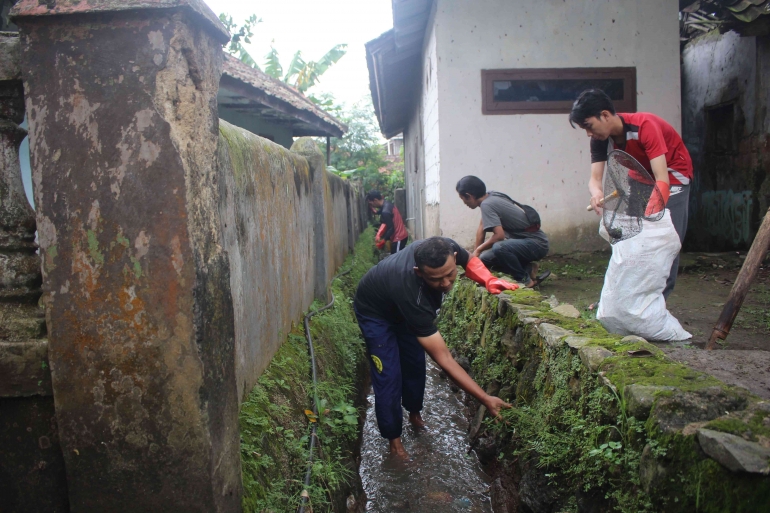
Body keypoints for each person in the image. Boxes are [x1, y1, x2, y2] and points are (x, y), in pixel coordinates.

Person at [354, 236, 515, 458]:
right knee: (389, 375)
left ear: (454, 257)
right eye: (436, 280)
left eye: (450, 274)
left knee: (415, 362)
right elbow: (445, 360)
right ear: (419, 272)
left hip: (403, 307)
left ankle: (414, 413)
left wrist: (488, 279)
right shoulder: (413, 295)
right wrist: (485, 398)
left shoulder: (446, 247)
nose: (446, 284)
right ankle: (395, 441)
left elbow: (469, 261)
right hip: (376, 313)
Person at [569, 89, 693, 299]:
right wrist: (597, 192)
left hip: (672, 177)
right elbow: (595, 179)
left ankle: (656, 305)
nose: (589, 134)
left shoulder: (645, 126)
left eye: (588, 126)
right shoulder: (600, 139)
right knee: (631, 238)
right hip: (640, 176)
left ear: (605, 115)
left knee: (665, 242)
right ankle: (629, 299)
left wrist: (652, 212)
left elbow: (661, 179)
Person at [456, 176, 550, 288]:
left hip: (537, 244)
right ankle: (528, 268)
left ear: (469, 196)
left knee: (499, 247)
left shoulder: (487, 205)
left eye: (463, 199)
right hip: (524, 243)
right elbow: (481, 227)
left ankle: (525, 280)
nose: (464, 203)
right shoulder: (490, 196)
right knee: (484, 259)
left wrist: (479, 249)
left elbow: (499, 236)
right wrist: (475, 258)